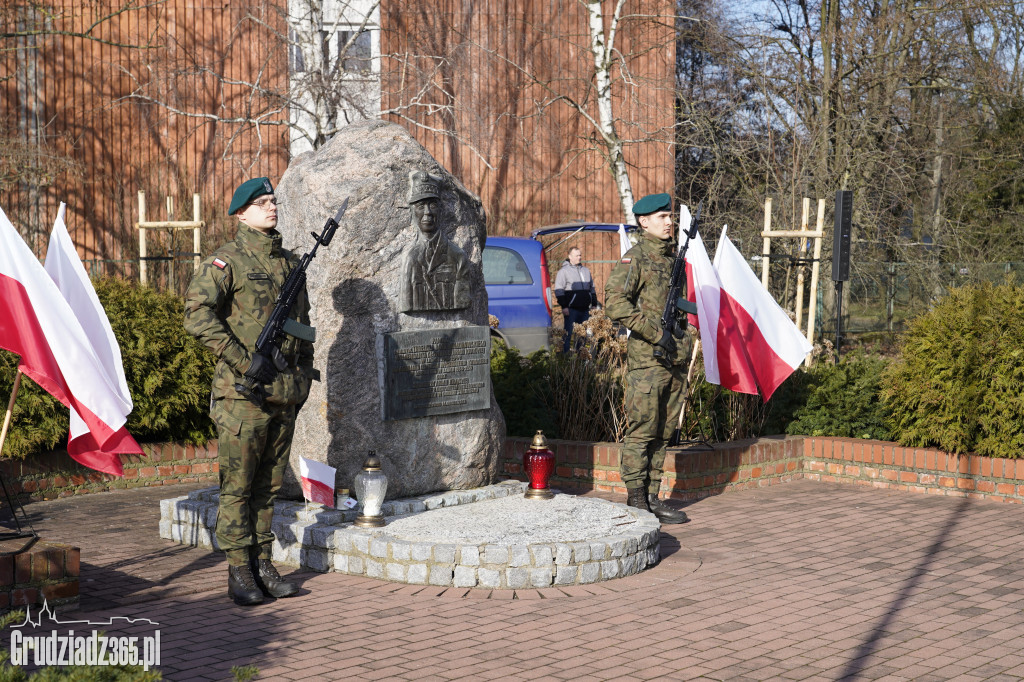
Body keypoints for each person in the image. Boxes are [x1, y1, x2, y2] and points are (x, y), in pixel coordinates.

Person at [184, 177, 316, 605]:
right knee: (238, 487)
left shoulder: (290, 263)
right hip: (243, 396)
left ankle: (262, 563)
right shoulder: (226, 261)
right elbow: (197, 316)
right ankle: (238, 570)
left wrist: (302, 377)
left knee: (268, 488)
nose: (271, 206)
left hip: (283, 394)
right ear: (241, 213)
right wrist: (244, 360)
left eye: (273, 200)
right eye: (261, 203)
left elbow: (304, 329)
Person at [604, 193, 690, 524]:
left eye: (670, 216)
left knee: (663, 431)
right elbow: (615, 303)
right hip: (647, 361)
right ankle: (636, 498)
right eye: (662, 217)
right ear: (644, 222)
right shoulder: (635, 258)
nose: (669, 221)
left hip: (673, 360)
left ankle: (653, 497)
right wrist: (656, 333)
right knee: (642, 430)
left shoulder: (672, 260)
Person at [398, 170, 472, 312]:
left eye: (432, 205)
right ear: (413, 212)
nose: (427, 212)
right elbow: (406, 303)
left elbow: (463, 301)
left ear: (441, 211)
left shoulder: (457, 257)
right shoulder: (411, 258)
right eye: (421, 206)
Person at [554, 246, 597, 352]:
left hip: (585, 309)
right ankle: (564, 358)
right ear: (570, 257)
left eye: (580, 255)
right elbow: (559, 290)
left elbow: (592, 288)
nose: (579, 257)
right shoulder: (563, 272)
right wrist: (564, 306)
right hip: (571, 309)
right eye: (577, 255)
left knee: (582, 335)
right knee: (567, 334)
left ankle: (580, 358)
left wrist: (594, 303)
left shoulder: (586, 271)